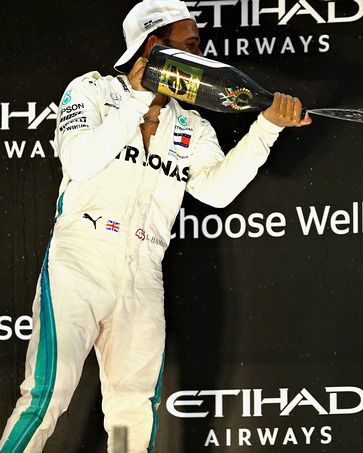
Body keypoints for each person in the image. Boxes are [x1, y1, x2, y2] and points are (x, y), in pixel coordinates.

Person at [0, 1, 311, 452]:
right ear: (153, 45)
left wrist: (266, 129)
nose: (201, 55)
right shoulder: (91, 90)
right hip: (80, 262)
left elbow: (216, 192)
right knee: (47, 394)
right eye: (191, 44)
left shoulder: (191, 123)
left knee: (132, 408)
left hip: (143, 273)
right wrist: (139, 97)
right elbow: (79, 160)